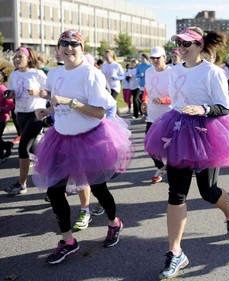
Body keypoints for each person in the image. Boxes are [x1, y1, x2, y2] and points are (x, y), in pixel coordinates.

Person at [144, 27, 229, 279]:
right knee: (176, 193)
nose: (181, 47)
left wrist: (202, 108)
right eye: (179, 43)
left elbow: (224, 107)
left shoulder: (212, 72)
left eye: (187, 43)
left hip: (206, 131)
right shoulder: (174, 71)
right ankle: (175, 252)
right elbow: (176, 101)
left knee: (208, 191)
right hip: (180, 129)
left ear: (200, 46)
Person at [32, 29, 133, 264]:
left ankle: (114, 223)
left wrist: (71, 102)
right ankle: (68, 241)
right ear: (57, 48)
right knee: (54, 191)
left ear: (82, 48)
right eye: (63, 43)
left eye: (74, 44)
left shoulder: (91, 74)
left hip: (89, 139)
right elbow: (57, 102)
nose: (68, 48)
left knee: (98, 188)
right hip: (61, 138)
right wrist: (47, 111)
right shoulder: (55, 74)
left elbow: (99, 113)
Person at [3, 46, 47, 195]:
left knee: (23, 148)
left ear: (29, 58)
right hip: (20, 114)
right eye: (15, 57)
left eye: (20, 56)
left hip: (35, 114)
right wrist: (10, 94)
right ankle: (61, 172)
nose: (16, 59)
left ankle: (21, 184)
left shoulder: (37, 74)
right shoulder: (14, 75)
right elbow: (12, 92)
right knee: (36, 150)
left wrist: (38, 92)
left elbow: (51, 92)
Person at [141, 46, 172, 183]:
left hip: (169, 114)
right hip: (152, 114)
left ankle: (174, 170)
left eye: (157, 58)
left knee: (170, 146)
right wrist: (144, 100)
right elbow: (147, 89)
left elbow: (178, 95)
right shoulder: (149, 71)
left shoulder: (173, 73)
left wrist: (164, 100)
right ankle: (161, 166)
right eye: (152, 58)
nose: (154, 60)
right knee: (149, 145)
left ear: (164, 57)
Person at [0, 69, 15, 163]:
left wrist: (1, 109)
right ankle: (2, 154)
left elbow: (11, 105)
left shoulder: (3, 89)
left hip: (1, 118)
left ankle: (7, 146)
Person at [136, 53, 152, 119]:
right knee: (142, 100)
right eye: (141, 58)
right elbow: (136, 75)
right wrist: (140, 75)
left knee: (148, 100)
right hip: (141, 86)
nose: (142, 59)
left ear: (147, 58)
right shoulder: (139, 66)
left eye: (143, 58)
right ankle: (144, 113)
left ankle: (148, 114)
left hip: (149, 86)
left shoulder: (150, 66)